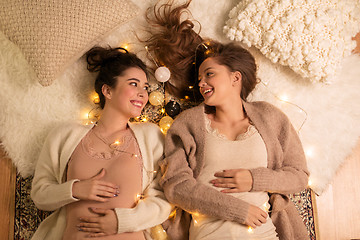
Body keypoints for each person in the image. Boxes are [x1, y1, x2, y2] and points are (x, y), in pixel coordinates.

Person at [144, 1, 310, 240]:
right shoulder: (188, 124)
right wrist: (237, 210)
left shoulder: (270, 117)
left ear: (235, 77)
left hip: (265, 234)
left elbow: (298, 176)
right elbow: (175, 185)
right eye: (199, 78)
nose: (201, 83)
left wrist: (255, 179)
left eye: (209, 74)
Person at [30, 46, 172, 240]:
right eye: (134, 84)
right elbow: (40, 194)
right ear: (107, 91)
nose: (142, 94)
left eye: (145, 88)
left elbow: (164, 200)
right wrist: (75, 189)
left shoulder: (151, 136)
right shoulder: (65, 136)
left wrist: (121, 221)